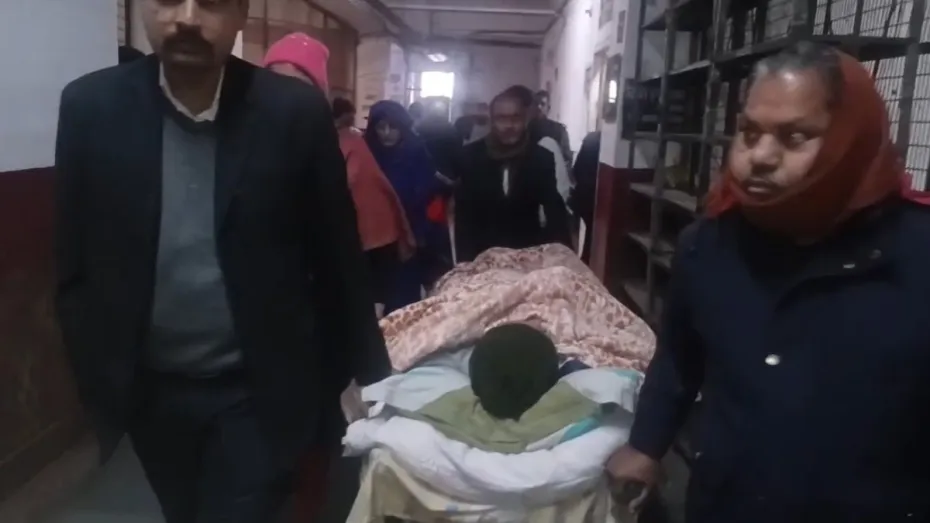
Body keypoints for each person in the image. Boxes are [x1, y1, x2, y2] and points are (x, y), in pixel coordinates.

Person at [54, 2, 390, 522]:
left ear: (240, 13)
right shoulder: (91, 108)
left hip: (257, 389)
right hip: (151, 391)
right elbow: (74, 253)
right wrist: (96, 370)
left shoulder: (291, 114)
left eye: (211, 1)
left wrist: (370, 377)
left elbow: (337, 256)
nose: (188, 17)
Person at [607, 42, 930, 522]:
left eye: (795, 137)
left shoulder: (917, 254)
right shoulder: (708, 246)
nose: (759, 156)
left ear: (852, 140)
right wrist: (646, 445)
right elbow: (678, 359)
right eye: (749, 132)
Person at [263, 33, 415, 316]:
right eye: (273, 84)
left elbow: (376, 233)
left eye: (299, 87)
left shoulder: (348, 151)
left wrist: (371, 310)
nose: (284, 98)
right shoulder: (245, 149)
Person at [454, 88, 572, 262]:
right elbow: (463, 217)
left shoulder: (541, 157)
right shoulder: (470, 157)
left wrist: (565, 259)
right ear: (492, 120)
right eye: (501, 118)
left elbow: (555, 211)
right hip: (483, 256)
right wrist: (465, 264)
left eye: (516, 118)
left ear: (525, 120)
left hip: (527, 256)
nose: (509, 125)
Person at [365, 100, 447, 311]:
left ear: (402, 126)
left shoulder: (415, 153)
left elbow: (430, 200)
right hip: (375, 243)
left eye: (393, 127)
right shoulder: (368, 155)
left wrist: (423, 237)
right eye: (380, 127)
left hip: (410, 240)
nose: (386, 133)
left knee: (402, 303)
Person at [505, 85, 573, 205]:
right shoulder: (524, 130)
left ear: (548, 108)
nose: (539, 107)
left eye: (542, 104)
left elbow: (566, 158)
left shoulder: (558, 130)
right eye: (536, 104)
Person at [569, 130, 601, 263]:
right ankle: (586, 260)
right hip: (595, 196)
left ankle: (582, 259)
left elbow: (575, 170)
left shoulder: (591, 138)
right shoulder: (601, 141)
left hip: (582, 194)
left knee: (586, 231)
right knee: (592, 233)